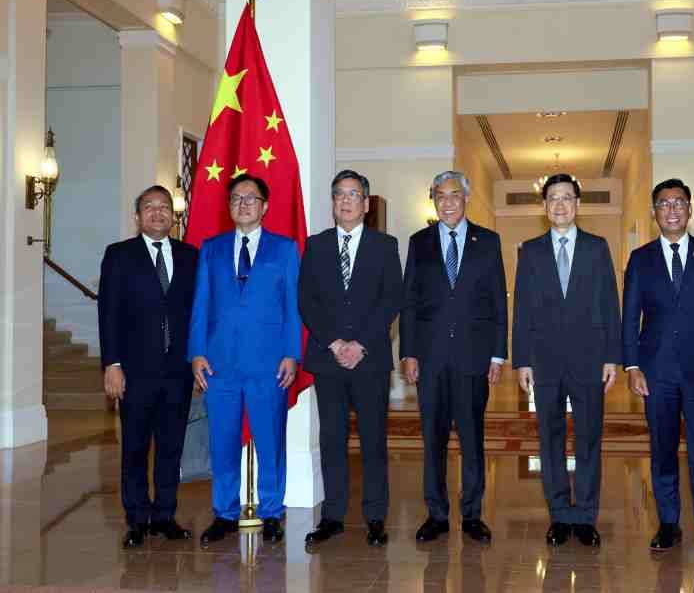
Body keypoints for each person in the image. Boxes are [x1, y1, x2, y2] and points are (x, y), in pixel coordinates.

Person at [188, 173, 302, 545]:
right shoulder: (212, 248)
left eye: (251, 199)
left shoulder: (284, 250)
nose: (243, 204)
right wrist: (197, 352)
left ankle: (271, 512)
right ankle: (224, 512)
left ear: (265, 207)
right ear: (229, 205)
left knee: (271, 440)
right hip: (219, 365)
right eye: (236, 198)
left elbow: (293, 309)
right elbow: (201, 304)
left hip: (269, 364)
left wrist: (291, 353)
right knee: (222, 442)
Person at [621, 178, 694, 554]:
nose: (672, 209)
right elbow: (629, 317)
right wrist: (632, 367)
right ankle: (668, 523)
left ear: (689, 209)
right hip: (656, 373)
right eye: (664, 204)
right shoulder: (641, 259)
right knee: (662, 449)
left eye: (679, 202)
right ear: (654, 214)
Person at [512, 173, 621, 547]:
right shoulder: (530, 251)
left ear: (578, 204)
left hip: (590, 360)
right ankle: (559, 514)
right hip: (544, 362)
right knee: (550, 439)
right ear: (545, 207)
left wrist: (612, 357)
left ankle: (586, 515)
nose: (560, 205)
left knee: (589, 439)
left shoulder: (597, 247)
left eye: (567, 198)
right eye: (553, 199)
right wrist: (522, 360)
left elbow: (610, 303)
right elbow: (521, 309)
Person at [399, 171, 507, 544]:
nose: (448, 202)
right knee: (433, 438)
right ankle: (437, 514)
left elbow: (498, 301)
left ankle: (473, 514)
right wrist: (409, 352)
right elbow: (409, 302)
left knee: (472, 437)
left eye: (455, 195)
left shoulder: (488, 241)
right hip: (429, 358)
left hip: (473, 357)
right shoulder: (419, 242)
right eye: (440, 196)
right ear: (433, 200)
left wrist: (498, 354)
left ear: (467, 198)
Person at [299, 170, 402, 547]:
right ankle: (333, 516)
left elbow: (392, 299)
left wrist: (360, 344)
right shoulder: (315, 245)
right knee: (332, 438)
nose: (345, 201)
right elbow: (307, 300)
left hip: (370, 359)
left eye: (353, 194)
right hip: (328, 360)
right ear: (333, 202)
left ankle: (375, 516)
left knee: (374, 440)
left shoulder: (385, 245)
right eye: (339, 194)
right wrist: (334, 343)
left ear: (366, 203)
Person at [98, 185, 199, 548]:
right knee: (135, 447)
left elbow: (197, 313)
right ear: (137, 217)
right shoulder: (119, 255)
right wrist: (112, 364)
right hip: (135, 371)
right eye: (149, 207)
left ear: (174, 216)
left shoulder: (190, 256)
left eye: (164, 207)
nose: (157, 213)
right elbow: (108, 313)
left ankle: (165, 516)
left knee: (172, 446)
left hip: (178, 372)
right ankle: (137, 519)